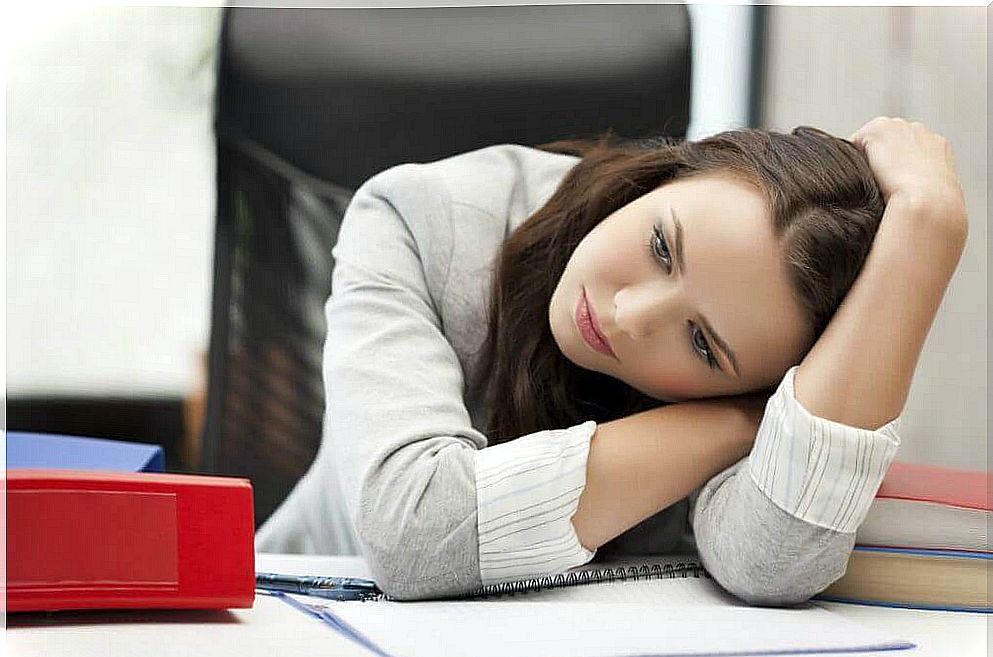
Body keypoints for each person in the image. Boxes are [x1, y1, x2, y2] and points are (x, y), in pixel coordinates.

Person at [256, 117, 968, 603]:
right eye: (662, 246)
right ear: (664, 175)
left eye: (700, 343)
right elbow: (413, 533)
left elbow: (771, 562)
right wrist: (742, 420)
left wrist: (924, 232)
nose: (628, 316)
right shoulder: (421, 216)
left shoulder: (765, 351)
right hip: (302, 617)